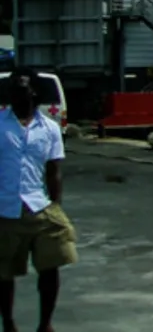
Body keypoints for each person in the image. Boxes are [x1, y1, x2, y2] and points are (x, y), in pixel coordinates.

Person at [0, 68, 77, 332]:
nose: (16, 93)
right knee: (4, 272)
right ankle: (8, 322)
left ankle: (45, 324)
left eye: (21, 88)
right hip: (5, 208)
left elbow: (54, 171)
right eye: (12, 89)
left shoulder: (50, 128)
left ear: (33, 92)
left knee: (51, 265)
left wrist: (56, 207)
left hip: (40, 207)